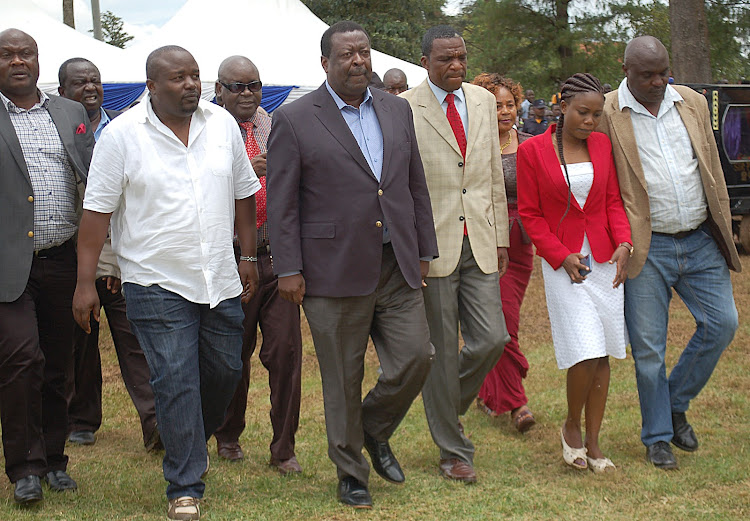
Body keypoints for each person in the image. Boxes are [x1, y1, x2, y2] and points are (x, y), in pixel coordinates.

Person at [72, 45, 261, 521]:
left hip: (218, 275)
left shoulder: (221, 125)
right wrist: (86, 282)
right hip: (154, 280)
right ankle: (185, 485)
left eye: (195, 75)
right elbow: (96, 214)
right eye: (178, 78)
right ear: (151, 85)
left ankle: (184, 435)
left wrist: (249, 254)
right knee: (174, 379)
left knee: (225, 372)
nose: (190, 85)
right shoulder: (121, 136)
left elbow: (244, 193)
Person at [267, 21, 438, 508]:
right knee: (342, 377)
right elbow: (283, 204)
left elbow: (413, 184)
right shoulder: (296, 118)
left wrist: (424, 249)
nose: (359, 61)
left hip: (396, 262)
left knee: (417, 357)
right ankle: (351, 473)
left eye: (364, 52)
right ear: (325, 63)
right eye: (347, 55)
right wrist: (288, 268)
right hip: (330, 269)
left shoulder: (395, 108)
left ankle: (373, 429)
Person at [598, 36, 741, 470]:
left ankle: (675, 403)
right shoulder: (607, 112)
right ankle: (658, 435)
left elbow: (710, 164)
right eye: (648, 75)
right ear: (626, 70)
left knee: (722, 325)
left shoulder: (691, 102)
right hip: (647, 245)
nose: (660, 81)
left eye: (664, 71)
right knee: (649, 350)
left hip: (699, 238)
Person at [401, 25, 510, 484]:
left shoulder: (482, 102)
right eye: (446, 59)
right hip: (435, 246)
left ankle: (445, 407)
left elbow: (489, 174)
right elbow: (402, 183)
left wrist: (501, 234)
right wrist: (412, 248)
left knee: (492, 340)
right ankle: (452, 450)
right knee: (442, 353)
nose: (457, 67)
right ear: (425, 60)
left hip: (482, 240)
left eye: (462, 58)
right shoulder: (404, 107)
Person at [517, 72, 632, 474]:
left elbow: (614, 201)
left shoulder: (602, 145)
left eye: (597, 114)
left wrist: (624, 244)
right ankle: (571, 426)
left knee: (603, 355)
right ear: (562, 106)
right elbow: (530, 215)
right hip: (565, 262)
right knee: (585, 349)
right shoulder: (531, 151)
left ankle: (595, 442)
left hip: (603, 258)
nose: (590, 121)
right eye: (583, 112)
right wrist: (560, 255)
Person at [0, 28, 94, 504]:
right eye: (7, 55)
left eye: (27, 54)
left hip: (64, 260)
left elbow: (91, 178)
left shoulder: (71, 111)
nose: (18, 62)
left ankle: (55, 460)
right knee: (22, 360)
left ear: (39, 61)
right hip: (7, 266)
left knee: (59, 365)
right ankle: (24, 468)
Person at [57, 57, 159, 451]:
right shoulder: (57, 131)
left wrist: (114, 261)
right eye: (80, 83)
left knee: (136, 342)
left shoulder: (127, 129)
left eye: (95, 81)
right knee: (78, 343)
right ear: (62, 92)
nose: (90, 88)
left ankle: (156, 424)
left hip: (124, 257)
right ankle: (81, 418)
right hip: (71, 256)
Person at [213, 55, 303, 475]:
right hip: (230, 258)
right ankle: (227, 435)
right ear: (219, 89)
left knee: (285, 351)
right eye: (237, 86)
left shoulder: (276, 125)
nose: (247, 94)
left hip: (278, 254)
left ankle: (283, 447)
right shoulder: (204, 130)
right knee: (233, 354)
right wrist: (245, 172)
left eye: (254, 85)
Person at [471, 73, 536, 433]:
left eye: (510, 104)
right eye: (496, 105)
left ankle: (487, 391)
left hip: (521, 242)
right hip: (484, 237)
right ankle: (517, 405)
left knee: (504, 320)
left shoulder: (529, 143)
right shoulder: (474, 145)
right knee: (501, 324)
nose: (505, 111)